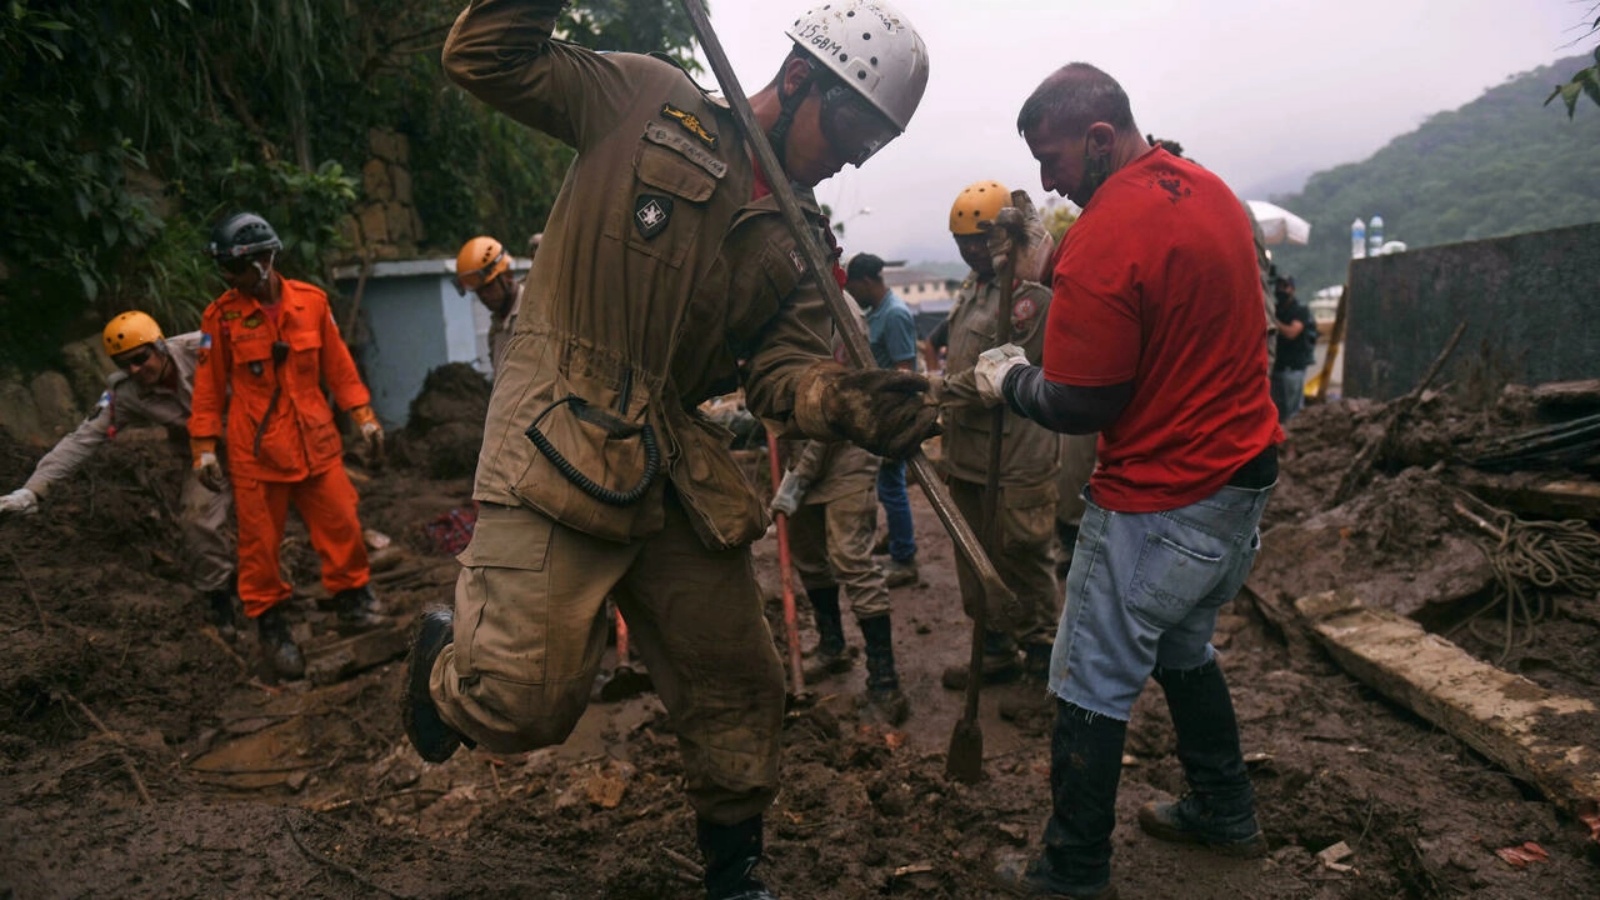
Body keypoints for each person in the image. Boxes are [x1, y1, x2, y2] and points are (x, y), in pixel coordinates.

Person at [402, 4, 935, 899]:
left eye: (873, 147)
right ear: (803, 77)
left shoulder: (802, 241)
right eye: (852, 128)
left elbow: (780, 373)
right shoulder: (645, 100)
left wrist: (837, 397)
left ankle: (734, 876)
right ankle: (448, 664)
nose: (852, 157)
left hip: (669, 455)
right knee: (522, 706)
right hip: (558, 426)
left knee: (738, 681)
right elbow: (483, 55)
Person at [975, 63, 1282, 899]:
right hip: (1240, 484)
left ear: (1101, 138)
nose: (1047, 183)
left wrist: (1006, 377)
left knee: (1088, 676)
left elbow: (1082, 403)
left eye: (1055, 160)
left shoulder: (1108, 233)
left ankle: (1074, 869)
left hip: (1161, 492)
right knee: (1185, 646)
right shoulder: (1208, 189)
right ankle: (1226, 809)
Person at [190, 212, 388, 681]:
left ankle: (352, 600)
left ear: (261, 262)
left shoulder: (312, 304)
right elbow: (207, 388)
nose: (228, 279)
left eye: (233, 269)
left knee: (342, 522)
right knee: (260, 547)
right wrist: (203, 446)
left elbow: (339, 369)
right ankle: (272, 627)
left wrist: (363, 416)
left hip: (316, 440)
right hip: (256, 452)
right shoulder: (221, 318)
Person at [0, 312, 240, 638]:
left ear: (160, 347)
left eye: (141, 359)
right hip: (204, 458)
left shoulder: (202, 348)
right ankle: (221, 598)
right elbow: (81, 440)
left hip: (257, 438)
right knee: (197, 521)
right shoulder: (127, 394)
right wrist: (32, 490)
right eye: (124, 364)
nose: (135, 370)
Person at [931, 180, 1062, 693]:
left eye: (979, 240)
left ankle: (1041, 666)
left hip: (1016, 460)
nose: (970, 251)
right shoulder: (974, 290)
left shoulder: (1028, 296)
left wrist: (934, 392)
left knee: (1024, 560)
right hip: (969, 456)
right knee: (975, 558)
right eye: (961, 241)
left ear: (1001, 239)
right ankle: (996, 652)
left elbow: (999, 375)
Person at [771, 299, 907, 725]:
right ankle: (832, 646)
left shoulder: (839, 310)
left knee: (851, 556)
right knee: (809, 556)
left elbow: (837, 406)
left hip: (845, 449)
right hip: (797, 451)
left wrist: (800, 478)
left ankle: (885, 681)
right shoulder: (777, 306)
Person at [843, 252, 920, 588]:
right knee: (888, 487)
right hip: (878, 414)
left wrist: (894, 421)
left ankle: (905, 558)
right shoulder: (877, 313)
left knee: (892, 487)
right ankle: (898, 544)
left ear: (867, 282)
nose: (852, 292)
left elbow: (905, 370)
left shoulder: (896, 315)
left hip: (892, 414)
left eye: (853, 286)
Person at [454, 235, 523, 378]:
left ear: (507, 275)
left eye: (488, 287)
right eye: (478, 291)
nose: (484, 296)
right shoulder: (496, 330)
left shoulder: (535, 314)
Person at [1270, 275, 1316, 424]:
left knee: (1293, 413)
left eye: (1284, 286)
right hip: (1277, 367)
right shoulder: (1275, 309)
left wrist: (1273, 321)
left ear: (1292, 289)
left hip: (1293, 368)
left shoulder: (1299, 310)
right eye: (1278, 287)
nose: (1280, 290)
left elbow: (1291, 333)